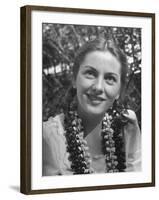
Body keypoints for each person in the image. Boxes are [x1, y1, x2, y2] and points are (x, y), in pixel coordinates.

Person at [42, 37, 141, 176]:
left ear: (119, 91)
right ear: (74, 79)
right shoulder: (48, 137)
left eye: (110, 78)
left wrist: (132, 143)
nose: (98, 87)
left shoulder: (127, 129)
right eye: (90, 73)